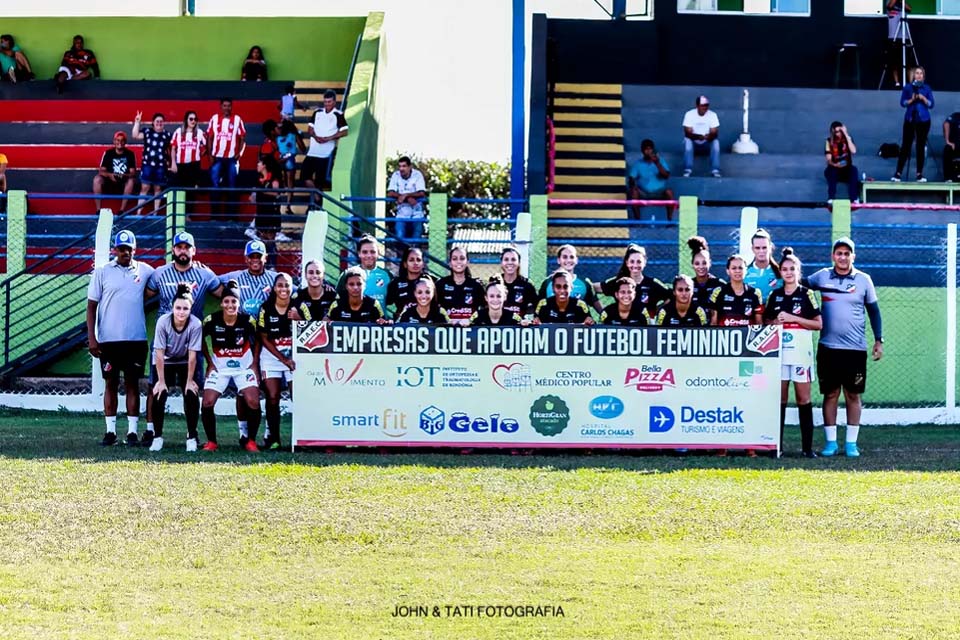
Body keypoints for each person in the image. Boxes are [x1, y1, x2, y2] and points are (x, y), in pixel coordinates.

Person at [806, 237, 883, 458]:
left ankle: (851, 444)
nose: (842, 257)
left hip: (855, 350)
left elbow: (874, 312)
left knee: (853, 395)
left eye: (846, 253)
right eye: (838, 253)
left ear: (853, 256)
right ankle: (831, 443)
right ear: (833, 256)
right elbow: (796, 283)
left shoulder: (864, 280)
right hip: (828, 348)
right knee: (830, 394)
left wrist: (879, 340)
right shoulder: (821, 276)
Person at [144, 231, 223, 446]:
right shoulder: (160, 273)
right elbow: (142, 295)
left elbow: (223, 293)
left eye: (187, 247)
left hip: (191, 339)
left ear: (193, 251)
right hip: (165, 338)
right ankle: (152, 432)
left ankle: (192, 434)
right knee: (157, 387)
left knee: (192, 389)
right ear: (173, 250)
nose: (183, 251)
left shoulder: (204, 275)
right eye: (179, 247)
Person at [86, 230, 155, 447]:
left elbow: (165, 277)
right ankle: (110, 432)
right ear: (115, 250)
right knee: (111, 384)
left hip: (135, 339)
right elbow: (91, 306)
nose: (125, 252)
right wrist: (92, 338)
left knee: (133, 384)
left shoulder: (145, 270)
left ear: (135, 250)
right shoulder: (102, 272)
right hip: (108, 340)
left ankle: (132, 432)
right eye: (121, 249)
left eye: (129, 249)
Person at [763, 248, 822, 458]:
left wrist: (794, 319)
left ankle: (807, 449)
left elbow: (818, 324)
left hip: (800, 353)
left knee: (803, 399)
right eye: (785, 269)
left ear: (798, 271)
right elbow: (766, 323)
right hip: (779, 353)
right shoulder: (775, 295)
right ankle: (776, 447)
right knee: (779, 399)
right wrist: (774, 321)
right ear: (780, 272)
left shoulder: (806, 294)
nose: (788, 272)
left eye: (792, 269)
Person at [201, 281, 262, 452]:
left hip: (243, 366)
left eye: (234, 301)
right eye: (226, 301)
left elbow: (258, 341)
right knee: (207, 402)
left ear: (239, 303)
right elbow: (199, 341)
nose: (230, 305)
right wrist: (210, 362)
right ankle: (212, 442)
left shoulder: (247, 320)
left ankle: (250, 441)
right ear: (221, 303)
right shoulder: (211, 320)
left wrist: (255, 364)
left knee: (253, 402)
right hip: (219, 367)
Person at [149, 284, 203, 453]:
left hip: (185, 361)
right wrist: (162, 381)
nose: (181, 312)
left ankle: (192, 436)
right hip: (164, 361)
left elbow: (193, 356)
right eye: (178, 308)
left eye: (185, 308)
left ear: (190, 308)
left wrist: (188, 382)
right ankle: (157, 437)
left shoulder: (195, 324)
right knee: (158, 393)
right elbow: (158, 353)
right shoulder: (163, 322)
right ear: (172, 308)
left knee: (191, 393)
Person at [258, 273, 297, 450]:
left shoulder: (299, 306)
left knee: (298, 397)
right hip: (272, 357)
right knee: (272, 397)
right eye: (280, 285)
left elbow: (312, 328)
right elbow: (264, 338)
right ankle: (274, 439)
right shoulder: (266, 308)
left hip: (295, 359)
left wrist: (300, 319)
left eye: (287, 285)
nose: (284, 289)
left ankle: (301, 439)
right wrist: (283, 359)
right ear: (274, 288)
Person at [597, 244, 670, 317]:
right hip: (623, 325)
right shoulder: (619, 281)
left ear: (645, 262)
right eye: (632, 262)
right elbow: (591, 288)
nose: (635, 265)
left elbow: (671, 296)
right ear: (627, 263)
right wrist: (601, 311)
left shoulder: (653, 283)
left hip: (646, 326)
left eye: (639, 262)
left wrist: (656, 311)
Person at [302, 90, 348, 198]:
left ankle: (316, 203)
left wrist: (329, 138)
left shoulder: (338, 114)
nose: (327, 104)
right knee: (304, 176)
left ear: (334, 102)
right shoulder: (317, 112)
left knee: (320, 181)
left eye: (329, 102)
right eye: (325, 102)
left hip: (325, 154)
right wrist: (315, 136)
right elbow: (310, 129)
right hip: (312, 152)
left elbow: (344, 131)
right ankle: (317, 199)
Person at [892, 66, 935, 183]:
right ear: (913, 75)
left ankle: (919, 174)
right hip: (910, 119)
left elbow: (931, 104)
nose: (919, 75)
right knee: (906, 146)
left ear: (923, 76)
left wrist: (923, 99)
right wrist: (911, 100)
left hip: (924, 120)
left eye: (921, 73)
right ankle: (898, 173)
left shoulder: (927, 88)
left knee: (920, 146)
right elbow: (903, 103)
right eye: (917, 73)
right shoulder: (908, 88)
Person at [207, 97, 246, 217]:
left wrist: (238, 154)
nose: (227, 108)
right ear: (221, 106)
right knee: (214, 186)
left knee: (232, 186)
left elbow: (242, 138)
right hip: (217, 158)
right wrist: (210, 155)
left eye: (229, 106)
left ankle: (232, 217)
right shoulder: (214, 119)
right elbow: (209, 137)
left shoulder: (237, 119)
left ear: (231, 107)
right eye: (224, 105)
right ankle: (215, 216)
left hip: (231, 159)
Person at [132, 111, 175, 214]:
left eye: (161, 121)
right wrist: (137, 122)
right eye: (157, 121)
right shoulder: (147, 132)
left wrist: (172, 162)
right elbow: (135, 135)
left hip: (161, 166)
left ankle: (155, 213)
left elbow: (173, 148)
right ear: (153, 122)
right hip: (147, 165)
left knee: (158, 188)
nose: (159, 123)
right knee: (144, 187)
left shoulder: (167, 135)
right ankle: (138, 212)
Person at [537, 244, 601, 313]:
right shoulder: (547, 282)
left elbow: (600, 310)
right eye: (564, 257)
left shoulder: (585, 283)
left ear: (576, 260)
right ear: (558, 260)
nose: (568, 260)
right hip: (553, 323)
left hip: (577, 323)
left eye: (571, 257)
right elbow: (538, 308)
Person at [709, 255, 764, 327]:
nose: (737, 271)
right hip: (725, 337)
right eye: (734, 268)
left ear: (746, 270)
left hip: (748, 337)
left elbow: (759, 324)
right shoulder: (718, 292)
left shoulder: (755, 293)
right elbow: (713, 323)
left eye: (740, 268)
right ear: (728, 271)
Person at [628, 139, 675, 221]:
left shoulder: (660, 161)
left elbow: (666, 176)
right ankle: (638, 221)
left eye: (650, 149)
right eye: (646, 149)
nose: (648, 151)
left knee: (669, 192)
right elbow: (631, 178)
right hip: (644, 193)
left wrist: (657, 163)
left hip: (659, 192)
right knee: (634, 192)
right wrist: (633, 185)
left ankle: (669, 221)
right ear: (642, 151)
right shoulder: (638, 163)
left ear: (653, 150)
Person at [435, 247, 484, 326]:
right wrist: (447, 320)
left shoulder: (476, 286)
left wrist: (470, 321)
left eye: (462, 258)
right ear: (450, 263)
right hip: (446, 330)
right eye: (454, 259)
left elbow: (484, 310)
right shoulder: (440, 284)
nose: (458, 262)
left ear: (467, 262)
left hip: (471, 331)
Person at [92, 131, 137, 213]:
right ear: (114, 141)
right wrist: (110, 175)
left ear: (125, 142)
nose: (120, 142)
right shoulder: (108, 153)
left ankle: (121, 210)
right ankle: (98, 210)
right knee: (97, 179)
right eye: (118, 140)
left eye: (122, 140)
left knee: (131, 181)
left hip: (123, 180)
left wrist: (124, 175)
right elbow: (101, 171)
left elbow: (133, 172)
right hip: (109, 180)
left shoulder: (130, 154)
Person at [387, 156, 428, 244]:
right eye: (400, 166)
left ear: (410, 167)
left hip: (417, 214)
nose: (401, 169)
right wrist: (408, 198)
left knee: (415, 242)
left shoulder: (417, 175)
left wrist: (406, 195)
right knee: (400, 239)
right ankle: (401, 257)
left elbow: (422, 193)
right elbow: (390, 193)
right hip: (401, 214)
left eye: (404, 166)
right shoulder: (396, 175)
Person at [385, 246, 433, 317]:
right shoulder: (395, 283)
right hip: (403, 325)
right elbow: (384, 303)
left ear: (423, 263)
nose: (415, 263)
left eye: (418, 260)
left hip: (427, 324)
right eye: (411, 260)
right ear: (405, 264)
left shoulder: (432, 281)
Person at [681, 95, 721, 178]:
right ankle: (687, 170)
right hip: (694, 144)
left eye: (706, 105)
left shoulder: (712, 115)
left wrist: (708, 137)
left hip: (707, 143)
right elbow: (687, 133)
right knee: (687, 142)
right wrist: (698, 137)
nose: (705, 108)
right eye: (702, 105)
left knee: (716, 143)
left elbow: (715, 133)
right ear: (697, 106)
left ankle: (715, 170)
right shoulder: (689, 114)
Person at [348, 234, 391, 310]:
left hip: (379, 321)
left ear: (378, 253)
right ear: (359, 253)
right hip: (356, 321)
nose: (369, 255)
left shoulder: (386, 275)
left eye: (372, 252)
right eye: (365, 252)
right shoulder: (349, 274)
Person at [824, 121, 860, 203]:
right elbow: (829, 160)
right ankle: (831, 198)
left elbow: (853, 151)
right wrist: (835, 165)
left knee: (854, 170)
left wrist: (846, 134)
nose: (839, 134)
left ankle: (854, 199)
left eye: (840, 131)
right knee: (831, 171)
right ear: (833, 132)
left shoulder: (848, 139)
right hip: (835, 168)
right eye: (837, 132)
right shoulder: (829, 141)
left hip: (846, 169)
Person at [498, 247, 539, 319]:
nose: (510, 262)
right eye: (506, 259)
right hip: (498, 326)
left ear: (519, 262)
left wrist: (534, 318)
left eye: (513, 259)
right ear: (501, 263)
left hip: (519, 327)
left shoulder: (527, 285)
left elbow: (537, 307)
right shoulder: (496, 283)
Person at [170, 111, 206, 189]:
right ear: (186, 120)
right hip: (181, 165)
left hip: (194, 165)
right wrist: (173, 162)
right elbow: (173, 148)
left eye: (195, 119)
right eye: (191, 119)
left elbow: (207, 146)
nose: (193, 121)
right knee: (181, 190)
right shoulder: (178, 131)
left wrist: (200, 154)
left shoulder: (199, 132)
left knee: (192, 191)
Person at [744, 228, 782, 303]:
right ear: (752, 249)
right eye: (757, 248)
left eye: (764, 248)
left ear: (770, 247)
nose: (761, 251)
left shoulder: (781, 272)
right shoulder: (744, 272)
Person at [277, 119, 306, 213]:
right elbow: (303, 149)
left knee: (282, 182)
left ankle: (278, 205)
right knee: (290, 185)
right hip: (290, 160)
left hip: (280, 160)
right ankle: (288, 206)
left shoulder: (277, 137)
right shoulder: (294, 135)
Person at [687, 236, 725, 308]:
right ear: (692, 264)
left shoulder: (719, 284)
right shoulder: (689, 285)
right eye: (697, 263)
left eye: (704, 263)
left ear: (710, 263)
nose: (701, 267)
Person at [884, 0, 912, 89]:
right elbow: (889, 6)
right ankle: (897, 82)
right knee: (894, 61)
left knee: (908, 62)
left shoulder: (903, 3)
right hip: (893, 36)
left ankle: (910, 83)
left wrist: (902, 2)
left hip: (904, 36)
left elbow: (909, 9)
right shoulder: (889, 3)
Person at [943, 109, 960, 183]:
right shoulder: (956, 116)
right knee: (948, 149)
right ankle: (948, 178)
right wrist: (947, 141)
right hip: (954, 144)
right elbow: (946, 124)